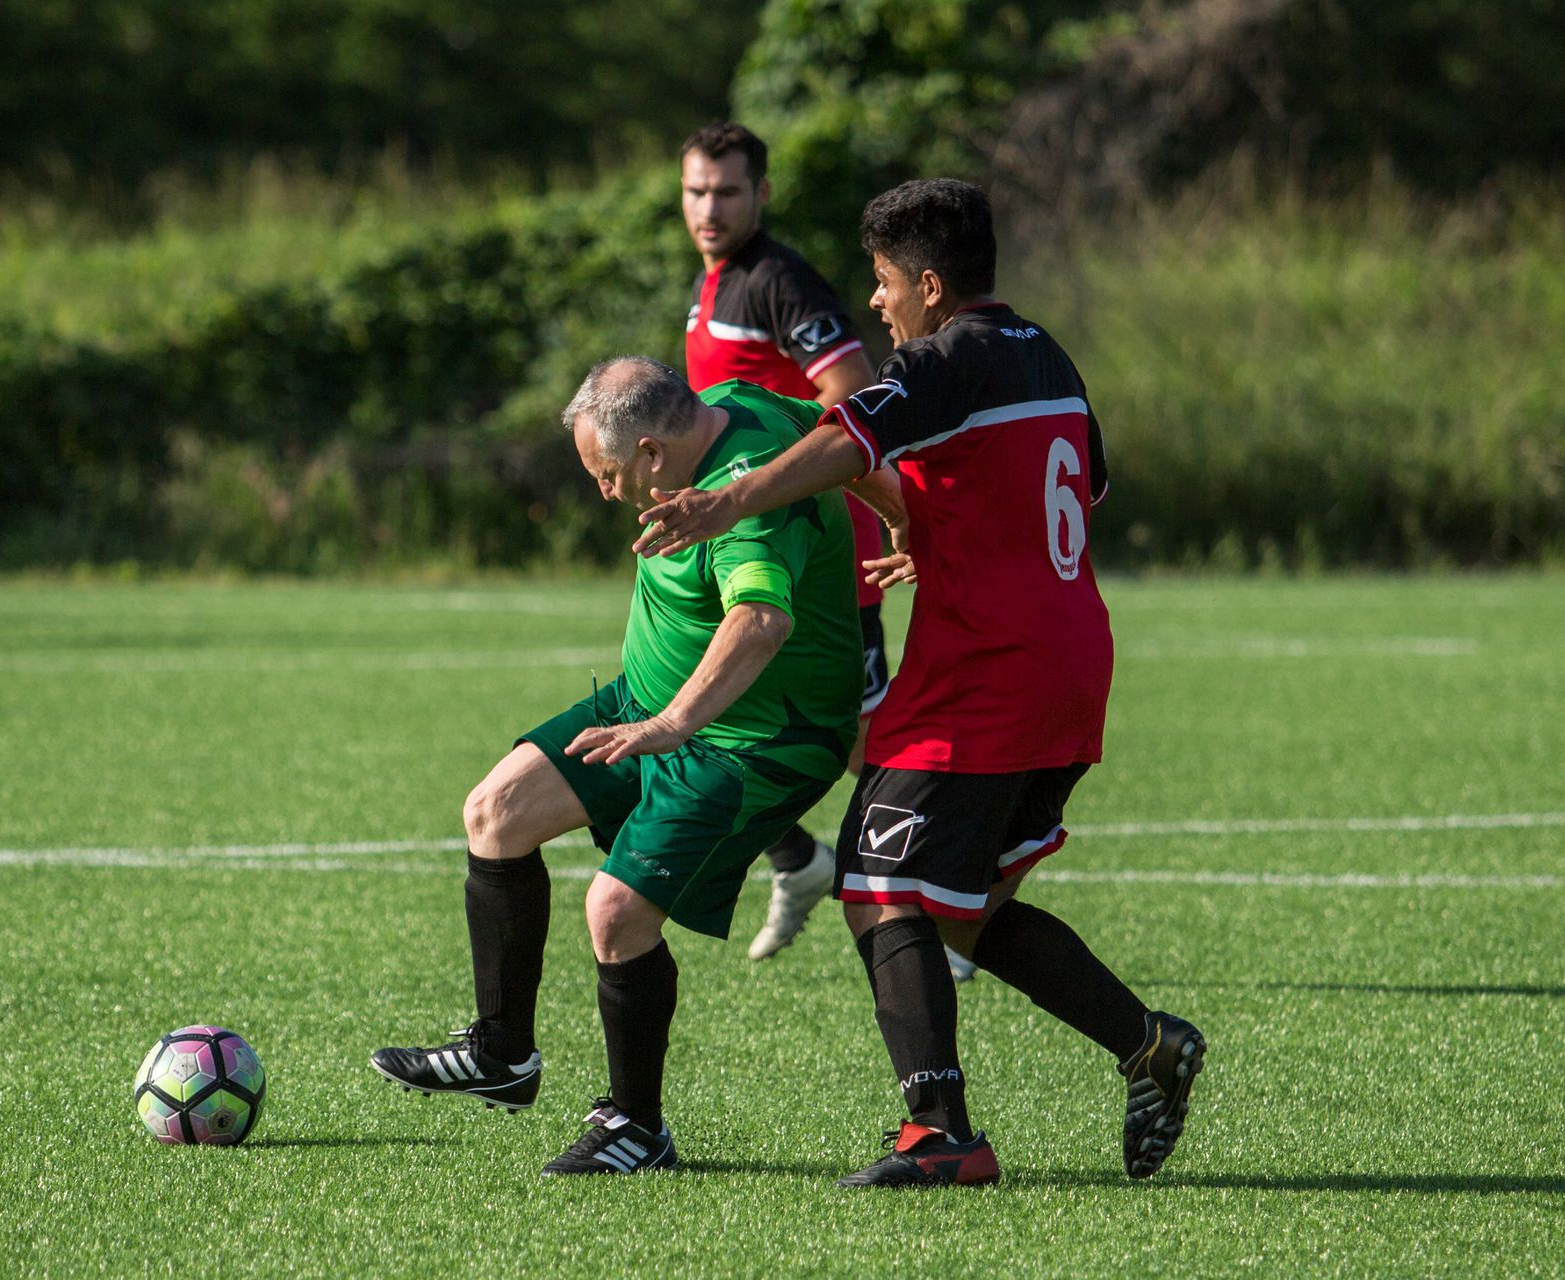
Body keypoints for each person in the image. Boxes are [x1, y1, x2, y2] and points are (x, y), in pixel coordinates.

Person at [632, 179, 1207, 1187]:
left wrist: (726, 502)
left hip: (988, 675)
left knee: (875, 882)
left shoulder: (945, 358)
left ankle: (943, 1133)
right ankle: (1150, 1041)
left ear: (932, 285)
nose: (881, 305)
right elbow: (1071, 489)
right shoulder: (1049, 357)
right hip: (1068, 661)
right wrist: (940, 543)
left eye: (888, 284)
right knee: (967, 904)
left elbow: (836, 439)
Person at [370, 356, 863, 1175]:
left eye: (604, 474)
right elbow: (845, 442)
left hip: (757, 739)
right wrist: (898, 513)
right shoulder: (734, 401)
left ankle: (637, 1124)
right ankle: (502, 1055)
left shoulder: (739, 513)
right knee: (496, 813)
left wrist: (672, 723)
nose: (602, 493)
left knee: (615, 914)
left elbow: (761, 620)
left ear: (651, 455)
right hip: (649, 699)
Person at [677, 122, 975, 978]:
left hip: (816, 557)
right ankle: (801, 860)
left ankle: (935, 900)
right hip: (749, 552)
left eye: (727, 191)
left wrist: (772, 486)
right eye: (697, 190)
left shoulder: (779, 281)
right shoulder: (711, 285)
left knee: (866, 741)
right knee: (717, 715)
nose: (710, 207)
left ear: (760, 195)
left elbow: (847, 398)